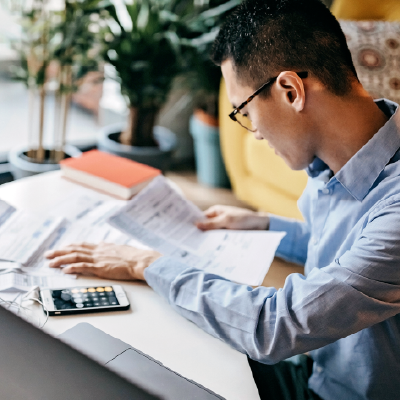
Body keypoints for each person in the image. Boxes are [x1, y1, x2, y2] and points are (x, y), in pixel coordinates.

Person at [45, 0, 400, 399]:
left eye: (244, 111)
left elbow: (277, 327)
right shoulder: (344, 156)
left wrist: (148, 265)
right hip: (315, 368)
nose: (255, 134)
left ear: (290, 90)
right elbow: (345, 247)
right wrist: (265, 224)